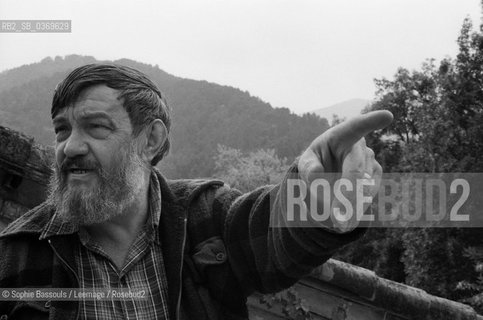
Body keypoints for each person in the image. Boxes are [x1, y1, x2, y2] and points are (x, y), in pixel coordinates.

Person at [0, 64, 393, 320]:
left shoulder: (205, 219)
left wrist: (316, 202)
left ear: (150, 140)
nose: (70, 147)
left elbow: (269, 231)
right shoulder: (15, 255)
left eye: (96, 127)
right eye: (62, 130)